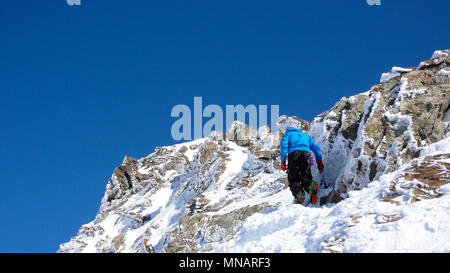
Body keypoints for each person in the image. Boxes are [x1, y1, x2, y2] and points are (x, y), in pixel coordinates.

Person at [280, 127, 324, 204]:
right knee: (306, 176)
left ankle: (298, 194)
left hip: (293, 155)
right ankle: (310, 185)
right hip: (307, 155)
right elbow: (316, 148)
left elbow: (283, 146)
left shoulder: (288, 134)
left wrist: (283, 161)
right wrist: (319, 162)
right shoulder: (306, 136)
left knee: (293, 178)